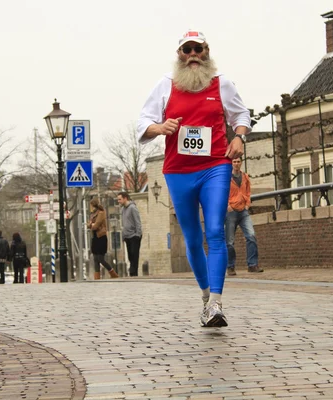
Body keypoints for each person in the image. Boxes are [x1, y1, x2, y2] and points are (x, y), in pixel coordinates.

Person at [137, 29, 251, 327]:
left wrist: (239, 138)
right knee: (192, 236)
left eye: (197, 50)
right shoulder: (166, 85)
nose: (192, 56)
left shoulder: (221, 83)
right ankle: (204, 297)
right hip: (178, 171)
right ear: (179, 55)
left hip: (215, 165)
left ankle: (216, 302)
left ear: (207, 51)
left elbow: (241, 115)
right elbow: (143, 122)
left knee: (214, 231)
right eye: (186, 50)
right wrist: (160, 127)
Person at [225, 157, 264, 276]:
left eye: (238, 161)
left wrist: (247, 204)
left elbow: (248, 191)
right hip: (231, 211)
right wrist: (227, 205)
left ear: (241, 163)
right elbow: (222, 192)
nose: (236, 164)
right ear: (231, 163)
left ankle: (252, 264)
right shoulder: (226, 178)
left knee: (251, 236)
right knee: (230, 241)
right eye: (234, 162)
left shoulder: (245, 177)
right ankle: (230, 266)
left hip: (243, 211)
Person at [88, 197, 119, 280]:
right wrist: (91, 224)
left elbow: (96, 225)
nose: (90, 207)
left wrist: (92, 225)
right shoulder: (92, 214)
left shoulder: (101, 213)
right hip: (94, 237)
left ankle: (112, 273)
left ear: (93, 205)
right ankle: (97, 277)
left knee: (100, 258)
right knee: (95, 258)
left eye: (90, 205)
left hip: (101, 237)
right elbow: (89, 225)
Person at [117, 192, 142, 277]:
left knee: (134, 257)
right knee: (131, 257)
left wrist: (138, 235)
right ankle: (132, 274)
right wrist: (123, 235)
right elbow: (124, 223)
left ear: (125, 198)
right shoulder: (123, 209)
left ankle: (134, 275)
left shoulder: (132, 208)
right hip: (127, 236)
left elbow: (137, 222)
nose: (118, 201)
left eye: (120, 199)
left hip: (134, 236)